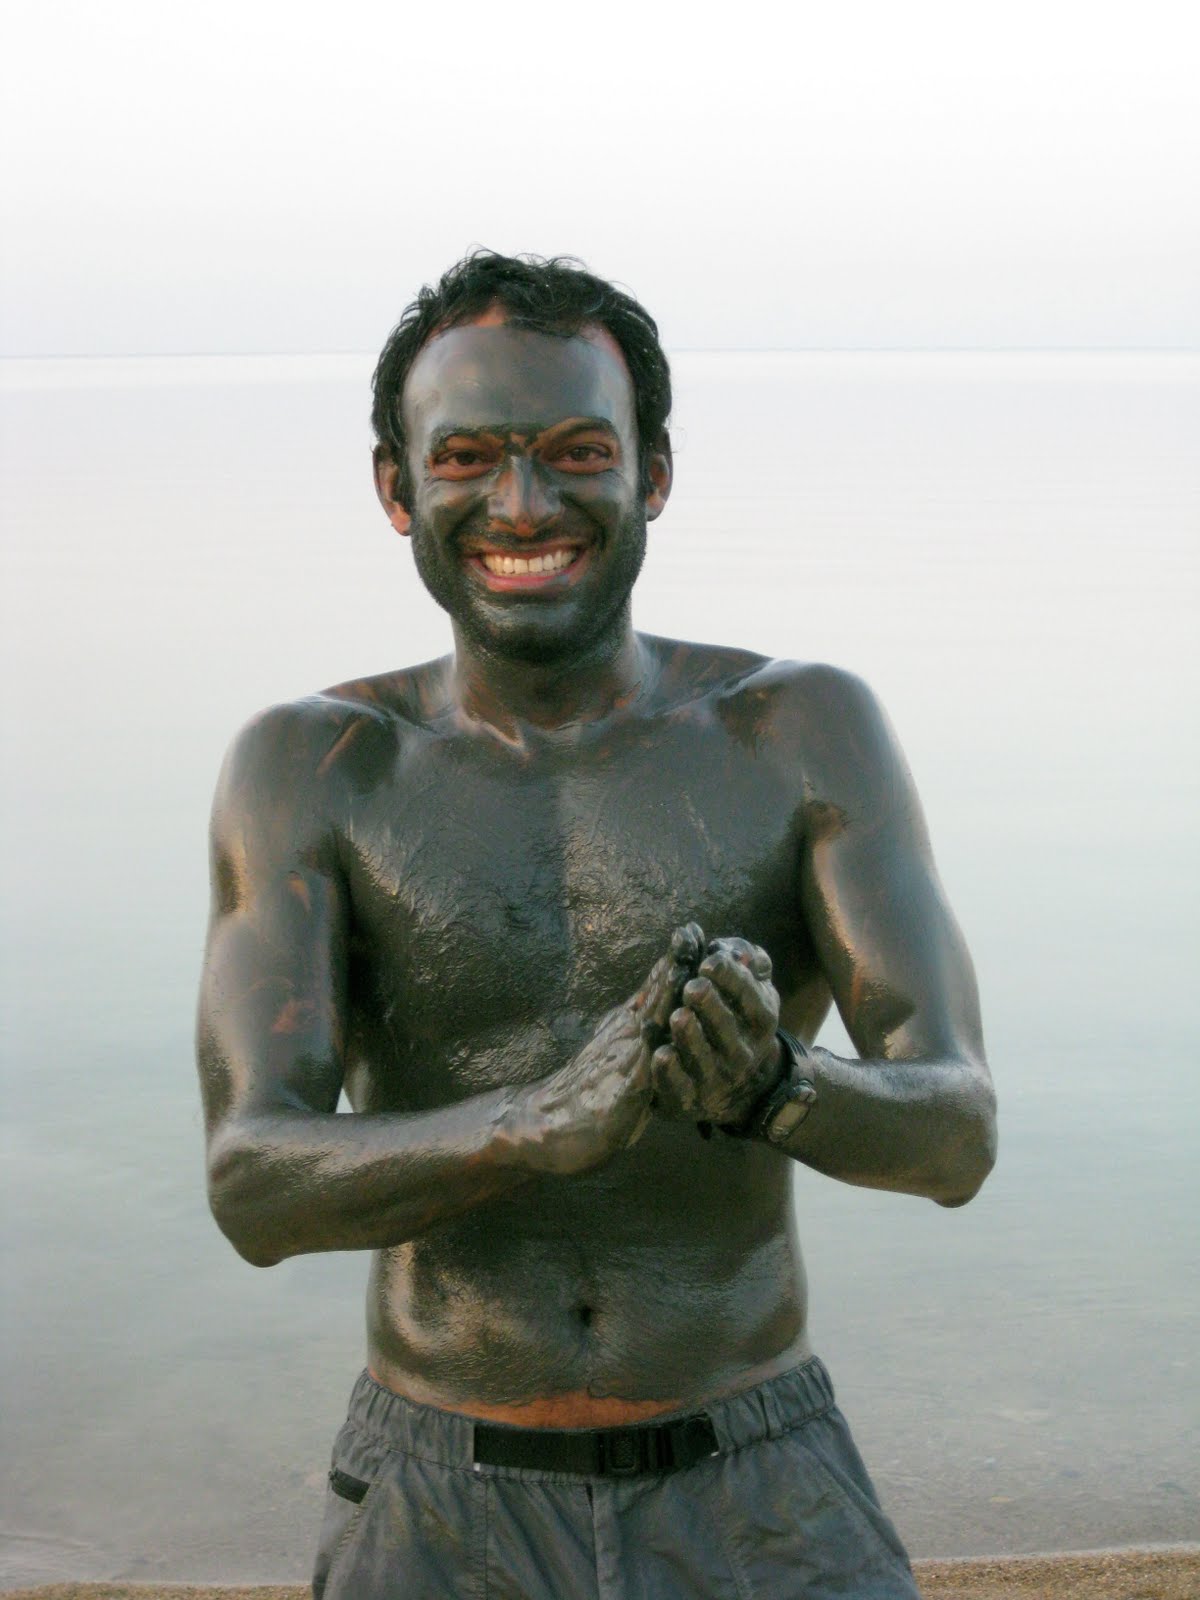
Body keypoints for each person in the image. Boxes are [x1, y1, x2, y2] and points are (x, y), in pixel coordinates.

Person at [197, 251, 996, 1599]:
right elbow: (253, 1182)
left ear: (654, 473)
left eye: (577, 451)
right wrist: (528, 1125)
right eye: (467, 460)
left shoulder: (796, 731)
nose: (522, 504)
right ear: (398, 487)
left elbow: (958, 1131)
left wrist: (778, 1089)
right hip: (439, 1489)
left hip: (757, 1481)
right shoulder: (318, 769)